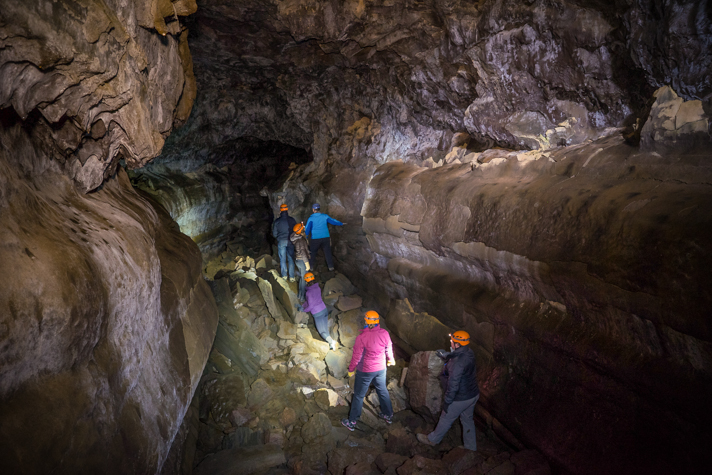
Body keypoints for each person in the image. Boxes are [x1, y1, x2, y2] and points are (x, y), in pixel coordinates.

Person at [417, 331, 480, 451]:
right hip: (473, 394)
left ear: (457, 344)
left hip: (461, 397)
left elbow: (453, 384)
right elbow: (460, 357)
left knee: (446, 418)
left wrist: (448, 401)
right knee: (467, 420)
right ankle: (471, 447)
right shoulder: (468, 352)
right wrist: (447, 355)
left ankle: (432, 440)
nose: (450, 342)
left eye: (452, 341)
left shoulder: (456, 363)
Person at [341, 310, 395, 431]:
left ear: (366, 320)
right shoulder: (384, 333)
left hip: (365, 371)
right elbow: (389, 347)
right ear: (377, 321)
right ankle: (388, 415)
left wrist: (351, 369)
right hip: (381, 369)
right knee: (382, 390)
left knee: (359, 395)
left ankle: (352, 421)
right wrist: (391, 359)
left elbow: (356, 356)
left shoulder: (362, 337)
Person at [296, 272, 338, 351]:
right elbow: (311, 301)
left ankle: (332, 342)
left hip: (318, 314)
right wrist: (303, 306)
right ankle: (331, 344)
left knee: (322, 332)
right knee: (325, 329)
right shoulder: (317, 287)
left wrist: (304, 310)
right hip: (324, 309)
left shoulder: (308, 292)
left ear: (306, 281)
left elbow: (311, 306)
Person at [304, 203, 344, 271]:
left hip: (315, 238)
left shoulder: (311, 218)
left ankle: (311, 267)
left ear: (313, 210)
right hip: (325, 237)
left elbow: (307, 229)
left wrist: (306, 237)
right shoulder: (325, 216)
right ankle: (331, 267)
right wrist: (341, 223)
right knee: (327, 252)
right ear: (319, 209)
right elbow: (333, 221)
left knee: (312, 252)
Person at [272, 204, 297, 281]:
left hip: (281, 241)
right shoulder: (292, 220)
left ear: (280, 211)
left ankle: (284, 276)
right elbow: (296, 231)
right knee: (290, 259)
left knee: (282, 259)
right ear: (287, 210)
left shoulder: (277, 221)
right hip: (290, 241)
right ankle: (292, 277)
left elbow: (274, 234)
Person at [290, 223, 310, 301]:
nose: (304, 228)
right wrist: (307, 263)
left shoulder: (296, 237)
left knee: (302, 277)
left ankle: (300, 295)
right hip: (302, 260)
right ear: (301, 231)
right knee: (304, 278)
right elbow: (303, 252)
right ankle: (302, 297)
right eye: (303, 228)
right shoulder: (301, 240)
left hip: (298, 260)